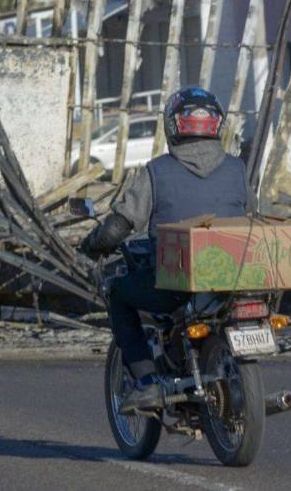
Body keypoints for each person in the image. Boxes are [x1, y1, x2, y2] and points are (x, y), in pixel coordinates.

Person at [81, 87, 255, 413]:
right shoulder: (238, 170)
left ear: (173, 126)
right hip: (235, 278)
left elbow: (119, 226)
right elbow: (256, 219)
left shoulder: (156, 171)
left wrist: (94, 243)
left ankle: (146, 382)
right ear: (217, 125)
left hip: (177, 283)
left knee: (119, 294)